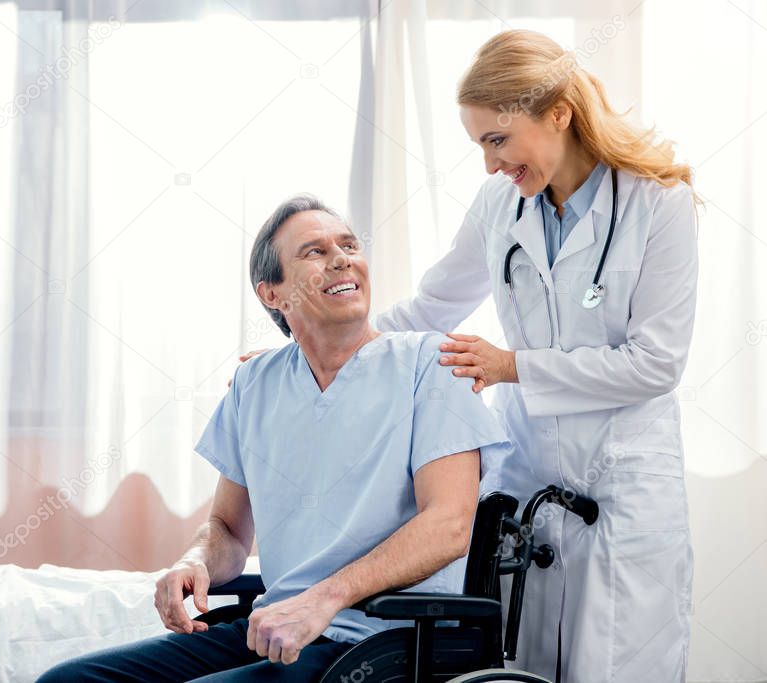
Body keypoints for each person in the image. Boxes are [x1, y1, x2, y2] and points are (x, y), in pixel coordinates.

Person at [37, 195, 510, 682]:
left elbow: (449, 526)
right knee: (66, 681)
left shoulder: (431, 364)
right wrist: (195, 561)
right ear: (272, 295)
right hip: (276, 631)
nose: (342, 257)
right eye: (314, 252)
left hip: (383, 640)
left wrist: (323, 599)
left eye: (348, 245)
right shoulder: (254, 382)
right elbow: (227, 527)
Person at [372, 29, 698, 682]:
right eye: (479, 146)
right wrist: (311, 351)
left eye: (497, 139)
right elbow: (426, 311)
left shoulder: (658, 202)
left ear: (557, 113)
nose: (490, 165)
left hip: (624, 489)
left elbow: (655, 364)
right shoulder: (499, 204)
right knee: (521, 670)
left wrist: (511, 365)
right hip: (528, 486)